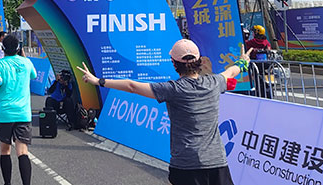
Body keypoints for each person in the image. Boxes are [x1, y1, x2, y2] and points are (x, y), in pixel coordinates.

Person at [76, 39, 250, 185]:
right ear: (199, 61)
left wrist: (98, 81)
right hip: (217, 163)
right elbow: (232, 71)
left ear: (174, 64)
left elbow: (132, 86)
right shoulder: (215, 82)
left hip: (185, 165)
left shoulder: (172, 89)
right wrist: (243, 61)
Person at [0, 35, 36, 185]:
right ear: (19, 48)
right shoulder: (27, 63)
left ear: (3, 48)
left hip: (5, 114)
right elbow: (33, 75)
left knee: (5, 150)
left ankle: (7, 183)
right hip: (23, 112)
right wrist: (23, 56)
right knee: (22, 152)